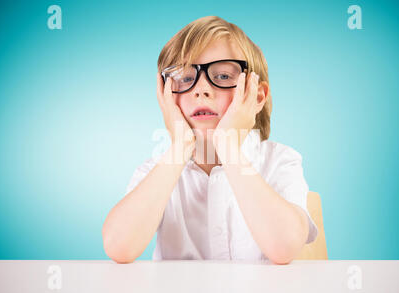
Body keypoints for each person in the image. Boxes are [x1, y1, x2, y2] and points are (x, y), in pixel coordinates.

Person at [102, 16, 318, 264]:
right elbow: (119, 246)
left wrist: (228, 145)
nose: (200, 89)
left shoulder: (280, 161)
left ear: (257, 96)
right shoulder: (156, 172)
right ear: (165, 97)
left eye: (224, 76)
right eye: (183, 78)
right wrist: (181, 145)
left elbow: (284, 246)